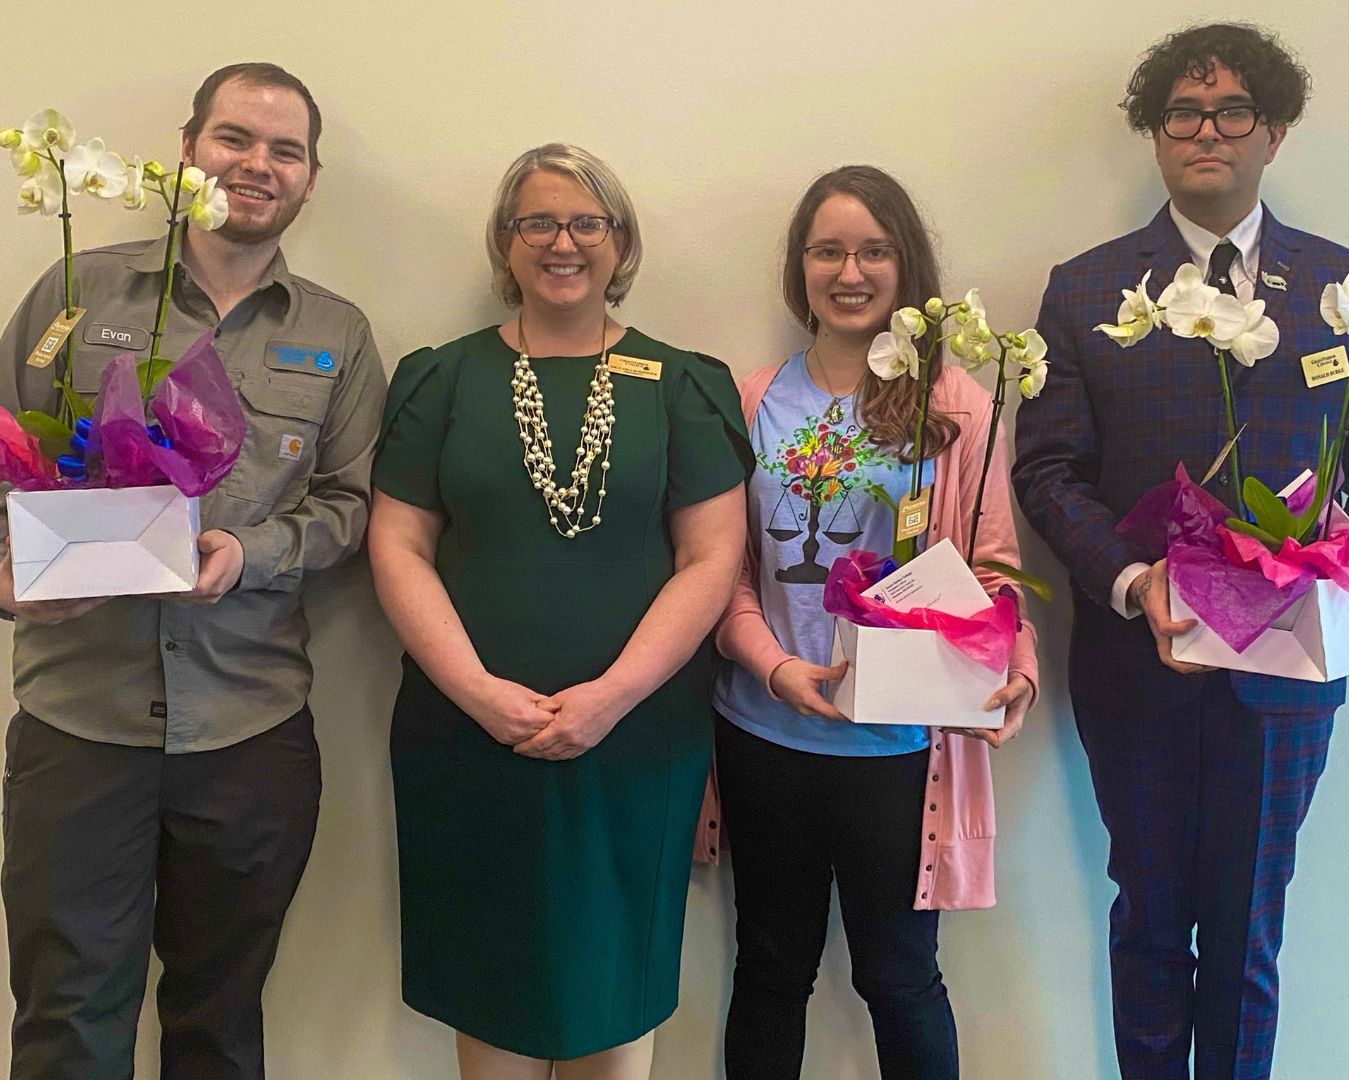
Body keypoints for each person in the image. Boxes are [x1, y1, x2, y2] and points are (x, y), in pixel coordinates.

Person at [0, 63, 386, 1078]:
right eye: (234, 139)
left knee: (219, 1020)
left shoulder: (336, 334)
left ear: (309, 178)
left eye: (285, 150)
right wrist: (8, 577)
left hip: (247, 733)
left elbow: (355, 509)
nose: (257, 165)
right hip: (78, 725)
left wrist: (250, 553)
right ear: (187, 151)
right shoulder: (75, 290)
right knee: (65, 1017)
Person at [367, 142, 751, 1080]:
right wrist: (478, 692)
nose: (563, 241)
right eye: (537, 221)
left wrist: (611, 696)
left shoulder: (683, 384)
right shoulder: (442, 378)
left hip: (636, 736)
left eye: (587, 222)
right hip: (466, 734)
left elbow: (711, 558)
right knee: (493, 968)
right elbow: (398, 545)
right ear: (506, 243)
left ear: (620, 242)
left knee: (612, 974)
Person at [1013, 24, 1349, 1080]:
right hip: (1134, 665)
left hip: (1286, 671)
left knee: (1247, 931)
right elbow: (1048, 472)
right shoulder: (1086, 290)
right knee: (1150, 922)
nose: (1207, 131)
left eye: (1232, 110)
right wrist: (1131, 580)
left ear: (1276, 130)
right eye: (1183, 114)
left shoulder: (1340, 289)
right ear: (1156, 136)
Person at [710, 164, 1039, 1080]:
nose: (849, 271)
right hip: (765, 733)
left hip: (899, 752)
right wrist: (775, 668)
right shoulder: (749, 400)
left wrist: (1015, 666)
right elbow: (722, 577)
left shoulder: (957, 405)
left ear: (906, 264)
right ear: (799, 267)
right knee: (771, 971)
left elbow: (995, 567)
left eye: (873, 250)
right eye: (828, 250)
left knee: (899, 979)